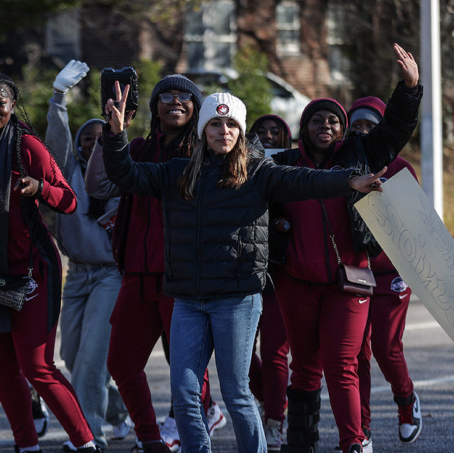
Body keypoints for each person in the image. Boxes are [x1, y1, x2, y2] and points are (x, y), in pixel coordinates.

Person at [102, 86, 388, 453]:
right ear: (203, 130)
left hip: (236, 299)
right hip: (188, 300)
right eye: (216, 124)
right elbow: (125, 175)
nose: (224, 131)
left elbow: (305, 181)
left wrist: (348, 180)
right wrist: (115, 135)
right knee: (185, 394)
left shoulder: (258, 172)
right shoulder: (175, 174)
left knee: (237, 394)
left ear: (240, 132)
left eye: (232, 125)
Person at [270, 44, 421, 453]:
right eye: (316, 119)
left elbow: (394, 131)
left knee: (342, 365)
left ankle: (355, 442)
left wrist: (409, 88)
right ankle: (300, 443)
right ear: (304, 127)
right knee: (304, 369)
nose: (325, 124)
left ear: (343, 130)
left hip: (348, 283)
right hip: (296, 284)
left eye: (333, 120)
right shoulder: (283, 164)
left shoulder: (360, 154)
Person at [0, 72, 98, 453]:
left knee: (37, 368)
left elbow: (69, 200)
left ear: (12, 105)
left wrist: (39, 187)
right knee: (0, 368)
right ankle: (26, 444)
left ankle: (85, 443)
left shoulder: (26, 145)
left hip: (33, 271)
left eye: (0, 103)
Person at [86, 74, 222, 453]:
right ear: (154, 107)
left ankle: (193, 431)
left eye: (184, 96)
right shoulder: (140, 148)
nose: (174, 101)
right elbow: (98, 186)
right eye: (166, 95)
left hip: (182, 277)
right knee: (122, 364)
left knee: (187, 372)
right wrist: (113, 133)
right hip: (137, 274)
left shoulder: (206, 150)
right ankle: (150, 438)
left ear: (196, 108)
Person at [45, 60, 131, 451]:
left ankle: (89, 436)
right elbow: (56, 139)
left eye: (103, 138)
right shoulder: (68, 172)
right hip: (76, 273)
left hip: (112, 275)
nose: (95, 142)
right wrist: (58, 97)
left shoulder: (122, 176)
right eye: (88, 138)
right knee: (71, 354)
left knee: (93, 357)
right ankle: (117, 410)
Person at [329, 96, 420, 451]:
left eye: (371, 126)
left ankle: (406, 400)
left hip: (391, 271)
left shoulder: (400, 167)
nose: (363, 132)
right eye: (357, 126)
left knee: (386, 347)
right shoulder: (341, 165)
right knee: (356, 355)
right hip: (355, 272)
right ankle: (361, 431)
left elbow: (417, 228)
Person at [247, 114, 294, 451]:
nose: (267, 137)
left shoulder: (293, 170)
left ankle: (276, 420)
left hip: (281, 274)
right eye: (260, 133)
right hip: (244, 272)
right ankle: (266, 397)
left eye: (274, 132)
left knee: (275, 350)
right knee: (238, 351)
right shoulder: (239, 168)